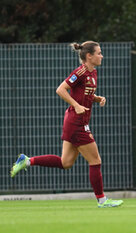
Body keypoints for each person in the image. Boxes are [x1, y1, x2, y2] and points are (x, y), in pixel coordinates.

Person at [10, 41, 123, 208]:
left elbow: (84, 93)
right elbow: (61, 89)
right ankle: (102, 200)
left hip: (75, 122)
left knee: (66, 163)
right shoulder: (80, 72)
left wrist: (96, 98)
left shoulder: (93, 72)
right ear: (89, 56)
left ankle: (27, 161)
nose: (102, 55)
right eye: (99, 53)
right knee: (95, 160)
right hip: (77, 123)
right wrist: (76, 105)